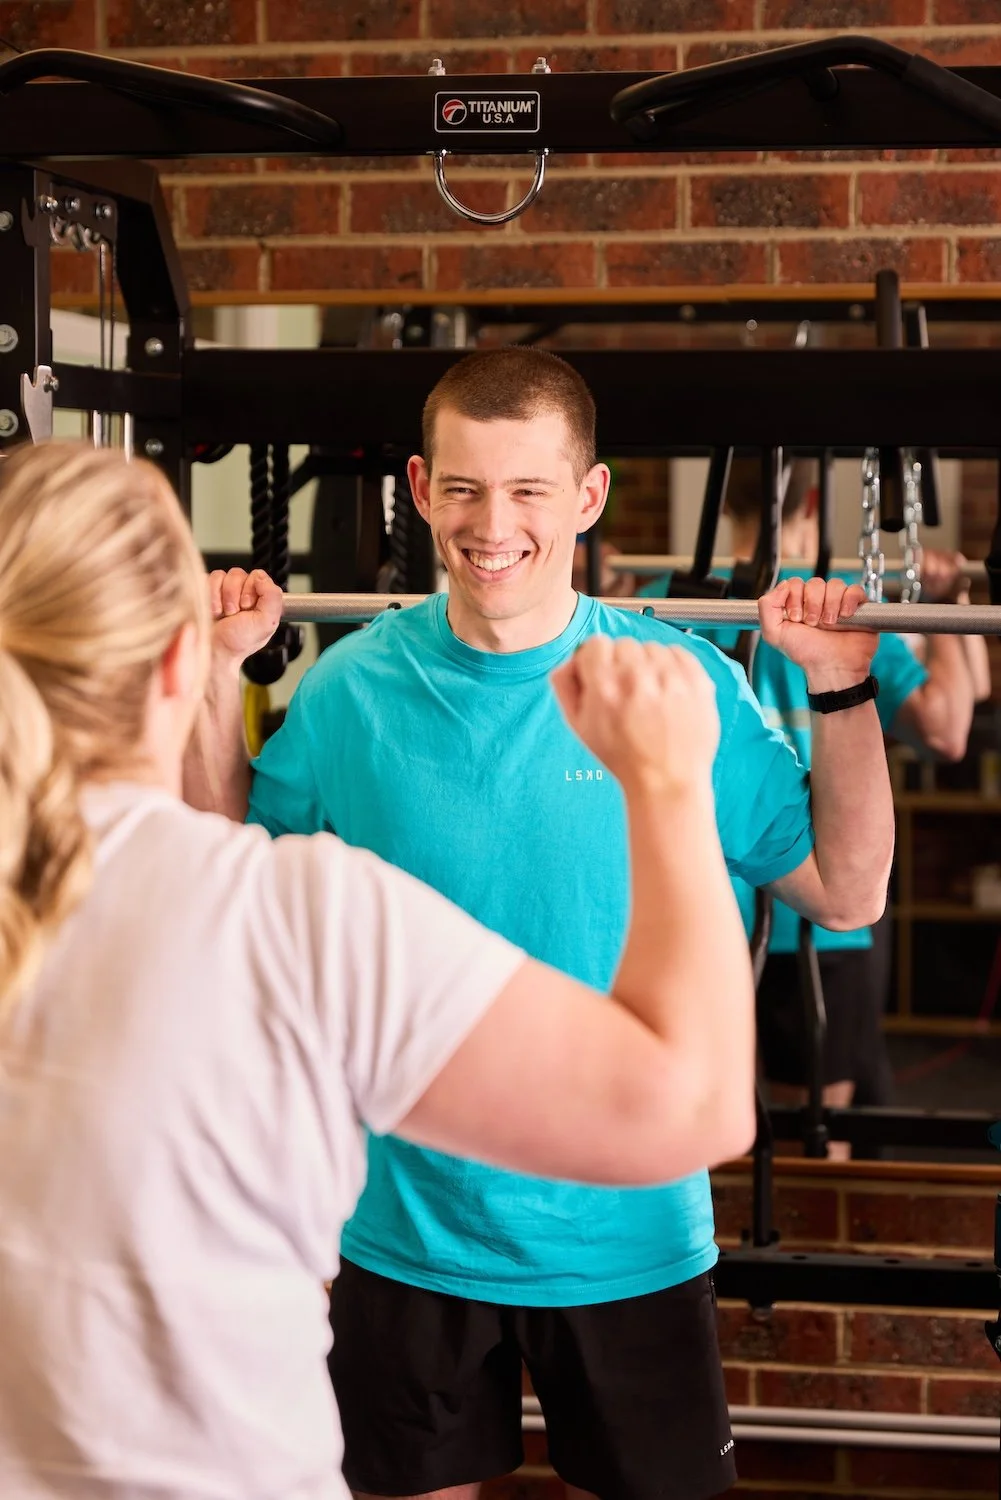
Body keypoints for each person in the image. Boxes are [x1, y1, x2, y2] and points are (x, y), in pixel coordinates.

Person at [0, 440, 768, 1500]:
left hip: (609, 1258)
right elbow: (694, 1107)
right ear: (178, 664)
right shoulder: (298, 915)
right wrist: (667, 782)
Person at [189, 348, 895, 1500]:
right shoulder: (348, 689)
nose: (491, 525)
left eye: (526, 491)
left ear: (587, 497)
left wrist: (840, 687)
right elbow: (221, 880)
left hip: (625, 1241)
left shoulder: (677, 686)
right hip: (402, 1233)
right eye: (462, 489)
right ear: (417, 489)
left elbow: (846, 889)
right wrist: (216, 679)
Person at [641, 455, 990, 1144]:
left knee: (698, 1122)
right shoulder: (833, 611)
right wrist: (948, 605)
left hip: (701, 913)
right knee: (812, 1134)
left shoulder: (653, 605)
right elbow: (948, 731)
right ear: (806, 497)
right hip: (814, 909)